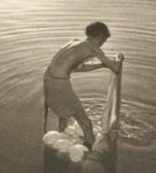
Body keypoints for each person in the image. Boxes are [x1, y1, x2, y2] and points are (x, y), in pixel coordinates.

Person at [43, 21, 124, 150]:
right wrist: (119, 58)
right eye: (103, 40)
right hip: (59, 84)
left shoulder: (74, 42)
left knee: (62, 113)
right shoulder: (93, 47)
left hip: (48, 78)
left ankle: (61, 139)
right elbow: (116, 68)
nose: (102, 44)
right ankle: (89, 147)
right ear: (99, 36)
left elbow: (76, 68)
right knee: (85, 121)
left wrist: (102, 65)